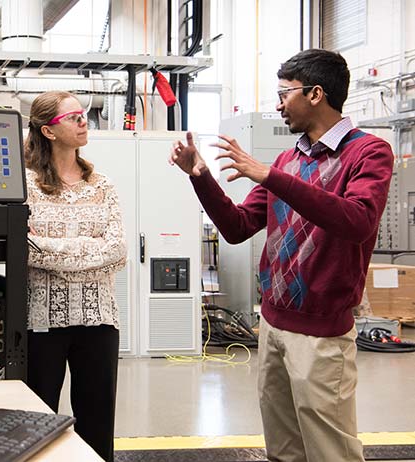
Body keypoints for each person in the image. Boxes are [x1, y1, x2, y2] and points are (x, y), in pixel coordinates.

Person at [170, 49, 393, 462]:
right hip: (272, 325)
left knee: (331, 453)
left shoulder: (368, 153)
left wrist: (271, 176)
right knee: (283, 451)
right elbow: (237, 228)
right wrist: (200, 176)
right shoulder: (288, 160)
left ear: (315, 94)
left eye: (283, 93)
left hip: (322, 335)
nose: (277, 104)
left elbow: (358, 221)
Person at [24, 90, 127, 462]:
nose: (84, 121)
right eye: (73, 117)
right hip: (41, 322)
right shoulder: (26, 185)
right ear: (49, 132)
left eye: (83, 114)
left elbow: (116, 252)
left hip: (99, 320)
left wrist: (49, 249)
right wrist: (87, 249)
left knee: (98, 425)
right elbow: (24, 249)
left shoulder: (102, 186)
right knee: (36, 424)